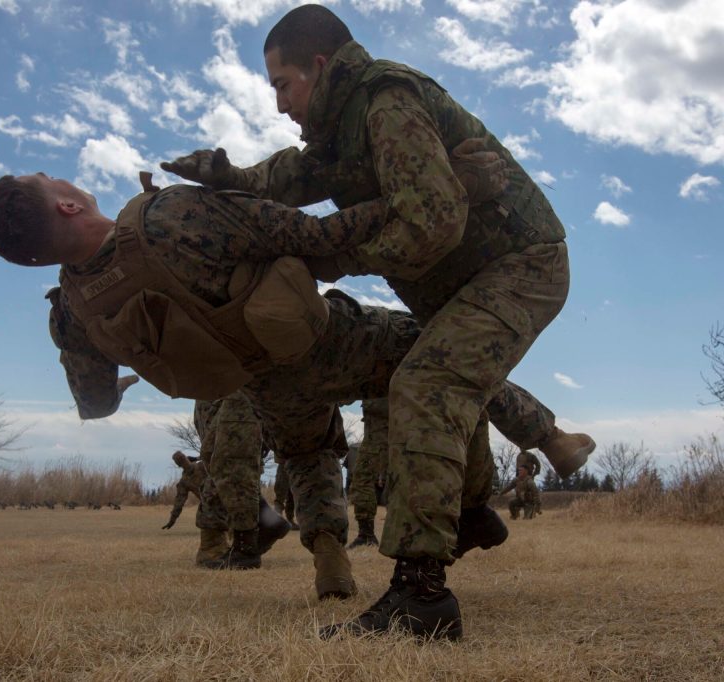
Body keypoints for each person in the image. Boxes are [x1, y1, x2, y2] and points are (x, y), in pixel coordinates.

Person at [160, 4, 596, 640]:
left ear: (319, 65)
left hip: (518, 263)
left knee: (426, 383)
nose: (280, 103)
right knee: (433, 374)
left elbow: (432, 223)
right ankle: (471, 513)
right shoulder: (338, 132)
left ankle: (421, 598)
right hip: (466, 282)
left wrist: (330, 253)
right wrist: (229, 177)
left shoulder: (384, 103)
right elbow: (285, 174)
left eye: (282, 84)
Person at [0, 147, 527, 606]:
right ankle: (491, 487)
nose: (60, 177)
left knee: (307, 449)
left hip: (257, 380)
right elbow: (312, 236)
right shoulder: (169, 215)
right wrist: (447, 188)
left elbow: (96, 401)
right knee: (440, 356)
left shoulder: (71, 312)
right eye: (49, 178)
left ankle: (330, 557)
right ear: (68, 203)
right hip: (326, 341)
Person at [193, 393, 290, 569]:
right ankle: (268, 520)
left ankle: (218, 544)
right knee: (218, 459)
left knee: (226, 462)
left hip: (233, 387)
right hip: (215, 387)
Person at [162, 450, 232, 565]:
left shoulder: (203, 466)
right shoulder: (184, 482)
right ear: (178, 465)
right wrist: (172, 519)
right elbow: (179, 501)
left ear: (186, 458)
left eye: (183, 458)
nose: (183, 461)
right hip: (209, 508)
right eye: (179, 461)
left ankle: (235, 550)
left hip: (224, 500)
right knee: (211, 526)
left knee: (232, 526)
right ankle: (220, 551)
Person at [347, 399, 387, 548]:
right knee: (361, 479)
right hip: (376, 433)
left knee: (363, 479)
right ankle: (366, 534)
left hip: (382, 434)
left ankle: (367, 534)